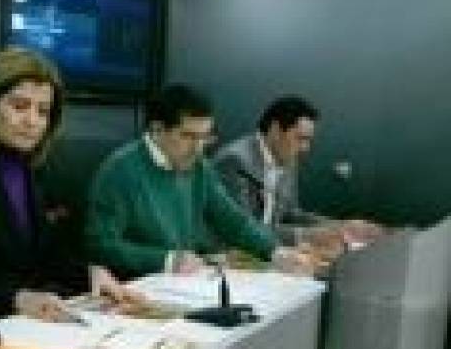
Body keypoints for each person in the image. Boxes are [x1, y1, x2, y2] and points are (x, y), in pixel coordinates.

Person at [0, 47, 137, 322]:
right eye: (19, 106)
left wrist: (93, 274)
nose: (32, 121)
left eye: (43, 111)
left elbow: (49, 258)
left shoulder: (37, 172)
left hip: (35, 320)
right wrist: (16, 299)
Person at [85, 84, 312, 279]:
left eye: (204, 137)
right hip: (136, 286)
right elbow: (100, 246)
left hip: (184, 282)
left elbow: (232, 220)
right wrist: (166, 259)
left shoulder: (198, 166)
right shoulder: (120, 171)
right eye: (188, 136)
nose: (198, 148)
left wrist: (275, 252)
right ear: (157, 130)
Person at [213, 95, 381, 249]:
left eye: (308, 140)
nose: (305, 148)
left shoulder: (288, 159)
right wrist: (309, 236)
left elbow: (289, 214)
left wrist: (340, 226)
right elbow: (244, 229)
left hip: (267, 252)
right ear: (275, 130)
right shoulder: (234, 161)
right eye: (301, 139)